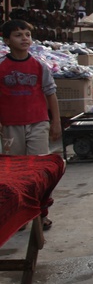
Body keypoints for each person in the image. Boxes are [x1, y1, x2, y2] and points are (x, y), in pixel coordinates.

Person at [0, 19, 61, 230]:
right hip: (10, 126)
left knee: (39, 171)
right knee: (15, 174)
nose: (24, 38)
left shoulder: (39, 66)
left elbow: (51, 94)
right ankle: (20, 214)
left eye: (27, 34)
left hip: (38, 123)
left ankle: (42, 212)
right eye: (18, 35)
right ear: (6, 40)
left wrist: (55, 123)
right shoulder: (2, 67)